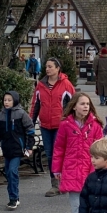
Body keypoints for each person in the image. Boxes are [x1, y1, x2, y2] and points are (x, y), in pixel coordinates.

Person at [52, 92, 104, 213]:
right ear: (74, 106)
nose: (85, 107)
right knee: (77, 207)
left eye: (87, 104)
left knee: (90, 206)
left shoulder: (95, 126)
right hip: (72, 171)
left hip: (91, 171)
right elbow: (59, 148)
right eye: (82, 104)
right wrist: (56, 169)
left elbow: (101, 149)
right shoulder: (65, 125)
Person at [30, 57, 76, 197]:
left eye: (50, 66)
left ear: (57, 68)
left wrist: (71, 122)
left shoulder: (66, 84)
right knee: (50, 155)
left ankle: (64, 182)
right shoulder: (41, 85)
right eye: (46, 67)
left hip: (60, 126)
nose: (47, 69)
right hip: (45, 125)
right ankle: (55, 184)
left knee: (60, 154)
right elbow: (35, 104)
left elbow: (73, 104)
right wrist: (31, 122)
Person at [0, 90, 36, 210]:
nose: (7, 102)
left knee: (12, 171)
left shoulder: (21, 114)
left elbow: (30, 130)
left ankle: (13, 199)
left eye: (9, 100)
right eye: (5, 100)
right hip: (7, 150)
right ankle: (15, 196)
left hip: (18, 149)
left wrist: (29, 147)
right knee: (9, 174)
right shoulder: (0, 116)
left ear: (15, 101)